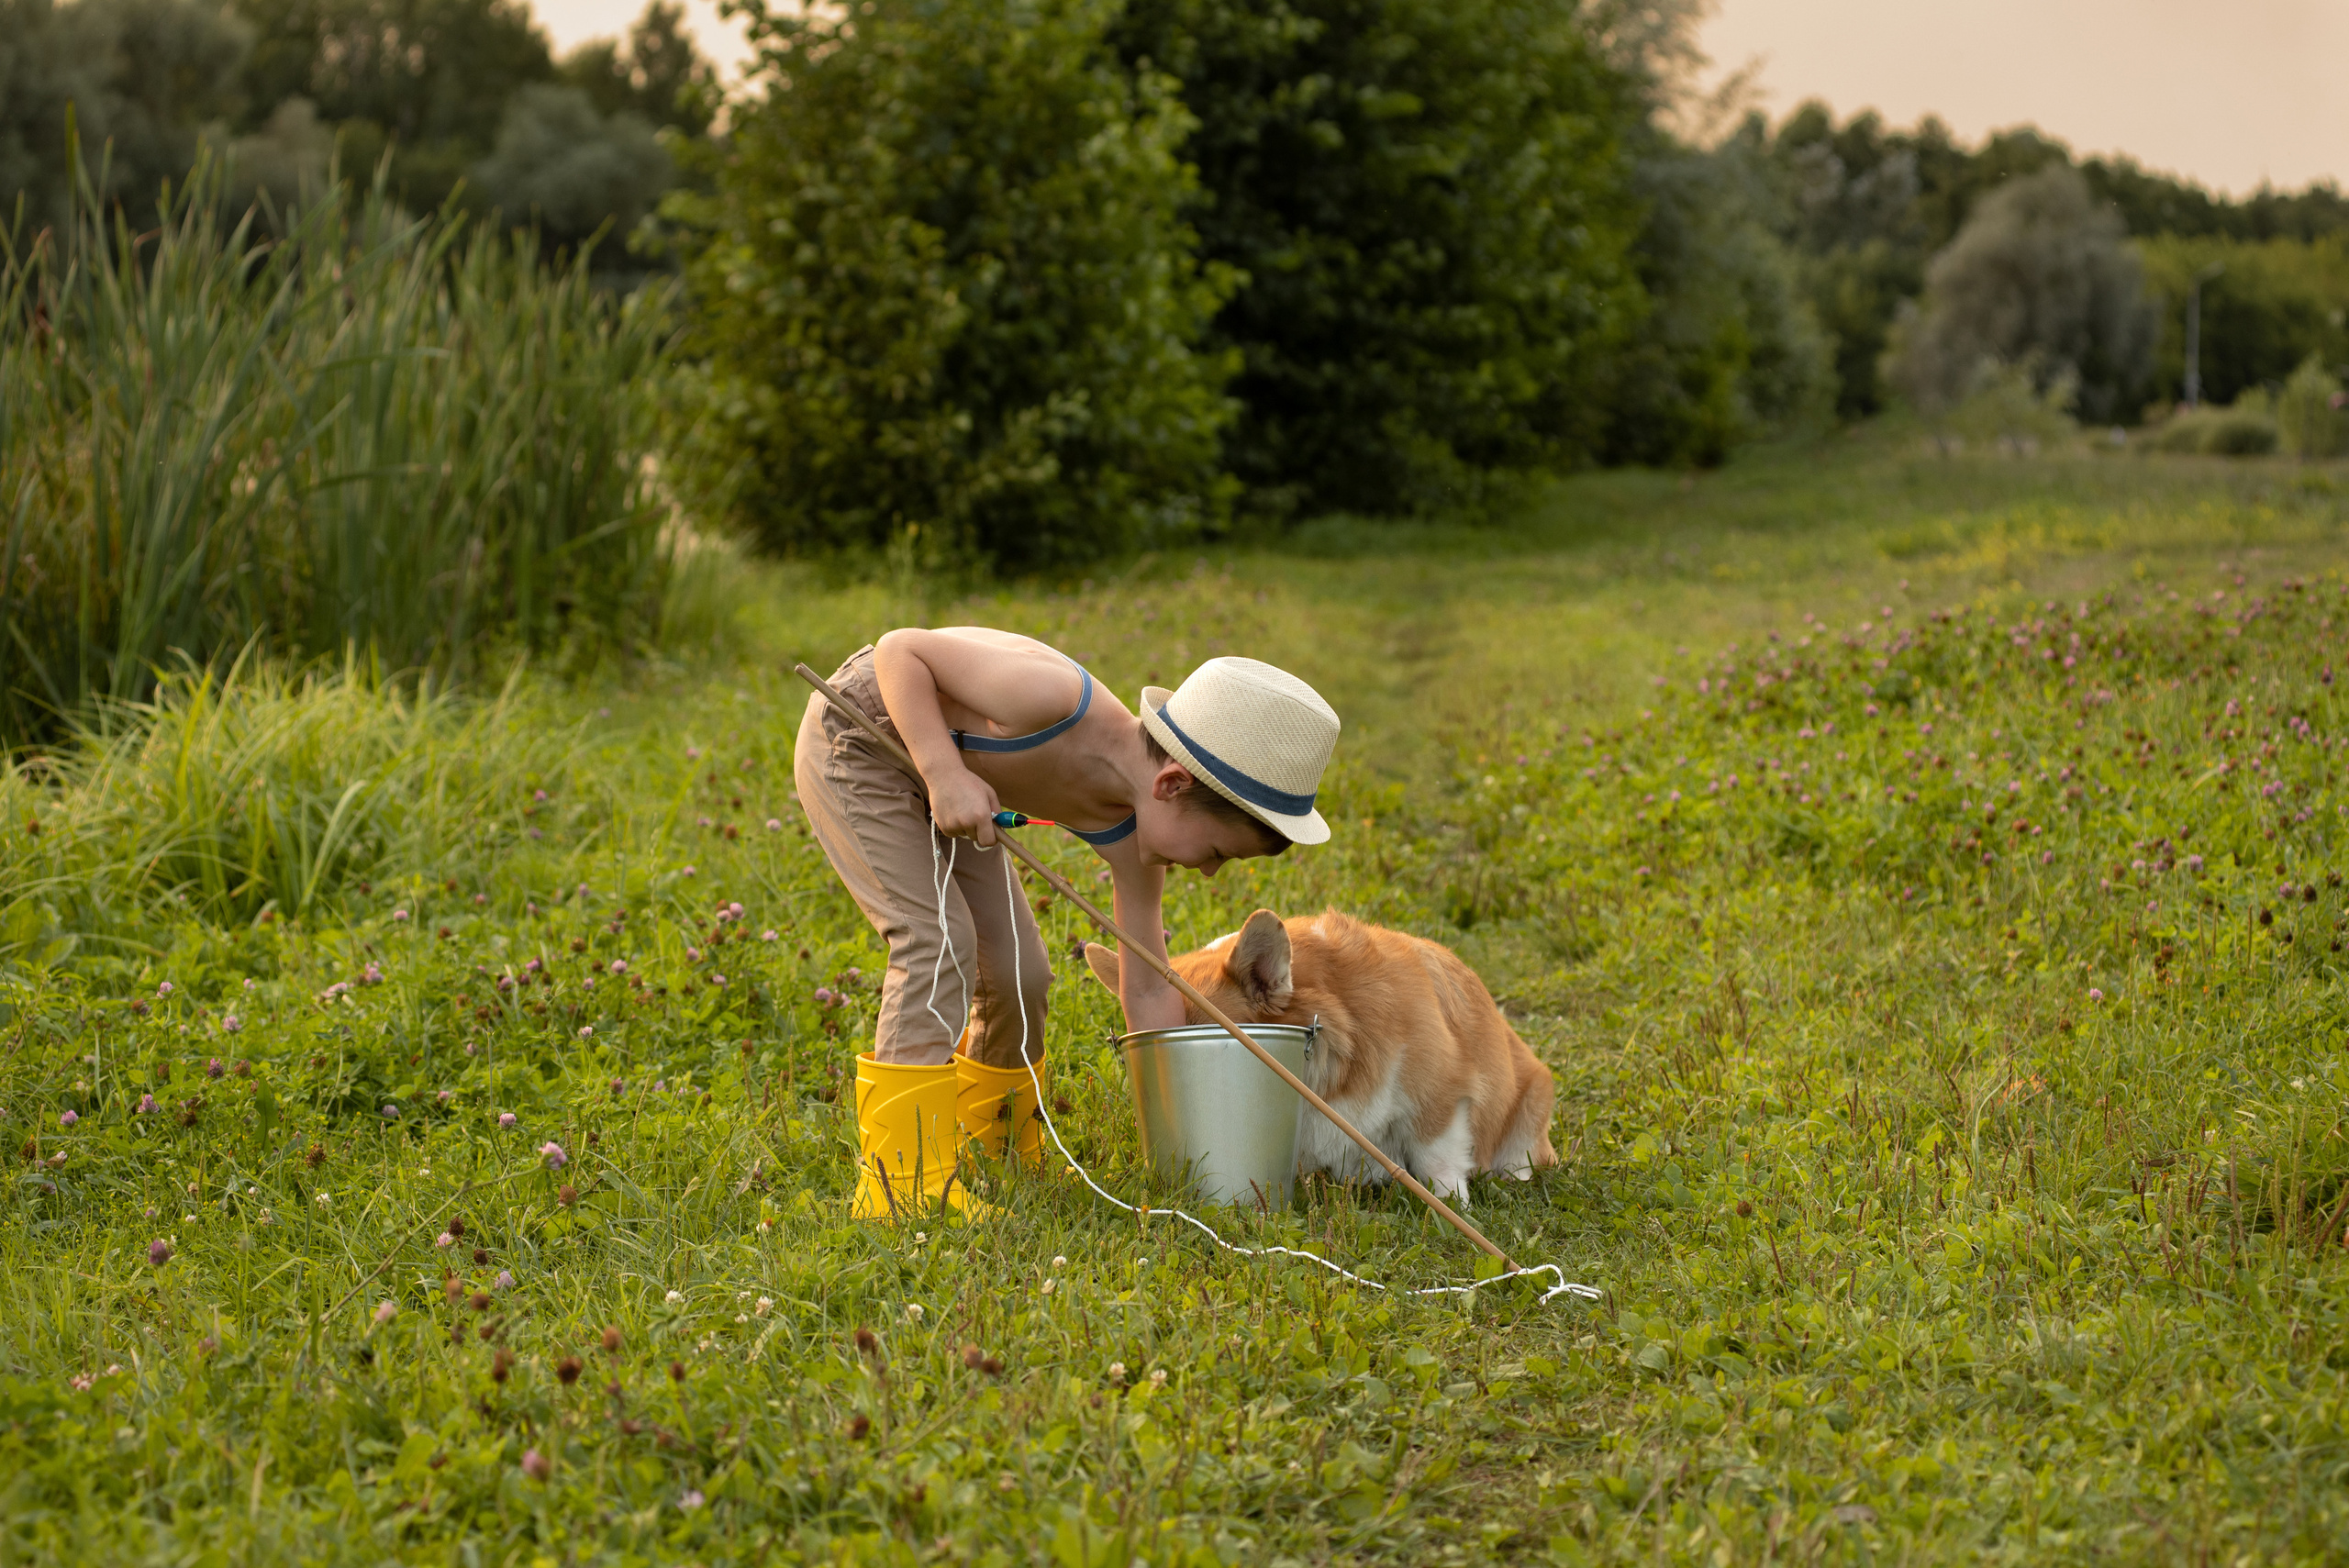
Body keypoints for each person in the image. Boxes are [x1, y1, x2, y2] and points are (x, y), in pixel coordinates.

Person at [795, 628, 1340, 1218]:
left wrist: (1185, 1139)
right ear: (1172, 784)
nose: (1208, 873)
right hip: (863, 738)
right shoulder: (1050, 700)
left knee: (1019, 971)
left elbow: (1151, 985)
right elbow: (901, 650)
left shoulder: (1138, 841)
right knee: (939, 942)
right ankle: (899, 1186)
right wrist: (942, 771)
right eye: (1216, 852)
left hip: (949, 780)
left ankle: (998, 1150)